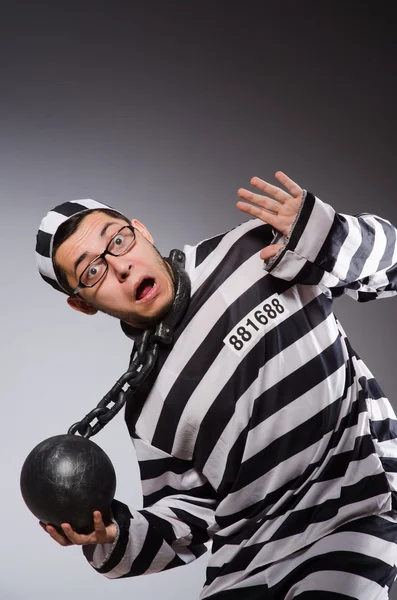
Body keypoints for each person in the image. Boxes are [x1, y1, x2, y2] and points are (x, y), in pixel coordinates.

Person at [35, 172, 397, 599]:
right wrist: (111, 536)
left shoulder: (252, 250)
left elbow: (389, 269)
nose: (120, 265)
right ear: (82, 304)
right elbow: (188, 519)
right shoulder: (144, 401)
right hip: (242, 567)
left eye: (118, 241)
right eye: (93, 271)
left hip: (349, 516)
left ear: (142, 230)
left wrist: (327, 233)